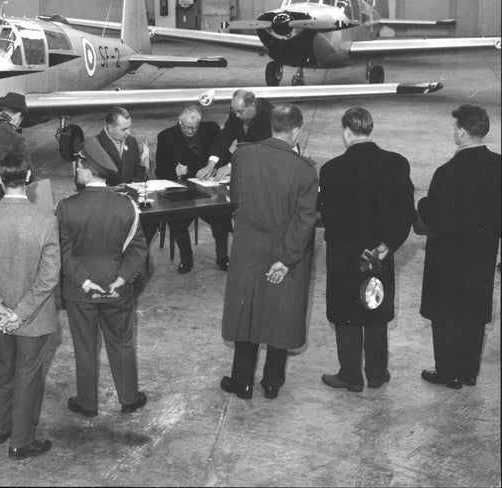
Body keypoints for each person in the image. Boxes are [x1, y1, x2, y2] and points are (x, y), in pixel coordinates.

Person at [0, 153, 60, 460]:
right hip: (33, 320)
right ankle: (21, 442)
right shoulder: (46, 221)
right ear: (29, 177)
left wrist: (0, 308)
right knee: (29, 376)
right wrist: (20, 312)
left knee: (3, 372)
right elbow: (49, 277)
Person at [220, 105, 318, 400]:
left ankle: (242, 382)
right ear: (297, 130)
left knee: (246, 312)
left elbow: (235, 199)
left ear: (272, 125)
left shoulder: (243, 155)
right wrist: (287, 260)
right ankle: (272, 382)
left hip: (248, 247)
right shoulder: (305, 169)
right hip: (284, 252)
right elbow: (304, 220)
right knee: (280, 315)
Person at [317, 107, 416, 393]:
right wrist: (388, 245)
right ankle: (376, 372)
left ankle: (350, 375)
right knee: (376, 308)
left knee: (347, 313)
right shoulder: (397, 163)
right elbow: (406, 212)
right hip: (380, 255)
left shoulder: (332, 169)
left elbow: (329, 217)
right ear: (370, 129)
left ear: (347, 131)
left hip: (345, 256)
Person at [56, 136, 149, 416]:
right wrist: (122, 278)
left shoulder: (66, 207)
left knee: (85, 347)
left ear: (85, 169)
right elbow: (138, 248)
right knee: (121, 343)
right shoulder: (128, 206)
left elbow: (63, 253)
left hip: (79, 290)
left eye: (78, 166)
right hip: (117, 288)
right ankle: (129, 399)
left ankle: (87, 404)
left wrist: (85, 282)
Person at [418, 104, 501, 389]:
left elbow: (434, 215)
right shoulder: (499, 165)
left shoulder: (447, 172)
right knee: (474, 313)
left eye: (456, 127)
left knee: (446, 315)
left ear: (463, 131)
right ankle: (469, 372)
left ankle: (448, 373)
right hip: (483, 253)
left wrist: (422, 204)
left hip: (449, 256)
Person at [155, 104, 230, 273]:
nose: (191, 131)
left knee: (222, 214)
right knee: (176, 220)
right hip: (183, 192)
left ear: (200, 122)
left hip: (208, 189)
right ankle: (186, 259)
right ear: (179, 121)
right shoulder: (166, 137)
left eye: (195, 127)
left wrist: (218, 167)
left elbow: (225, 156)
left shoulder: (211, 129)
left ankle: (223, 257)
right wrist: (174, 171)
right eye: (187, 128)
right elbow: (160, 171)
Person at [196, 89, 274, 181]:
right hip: (244, 162)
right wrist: (211, 164)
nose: (236, 115)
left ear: (252, 106)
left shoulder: (269, 114)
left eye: (240, 112)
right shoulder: (236, 111)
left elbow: (259, 148)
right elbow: (225, 136)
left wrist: (232, 166)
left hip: (265, 167)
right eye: (234, 111)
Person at [0, 92, 34, 202]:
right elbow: (28, 172)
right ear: (17, 116)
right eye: (21, 120)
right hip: (2, 197)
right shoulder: (16, 138)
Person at [95, 106, 148, 186]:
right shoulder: (95, 145)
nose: (129, 132)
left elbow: (139, 171)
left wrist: (133, 187)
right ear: (110, 128)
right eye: (124, 129)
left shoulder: (131, 142)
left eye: (129, 127)